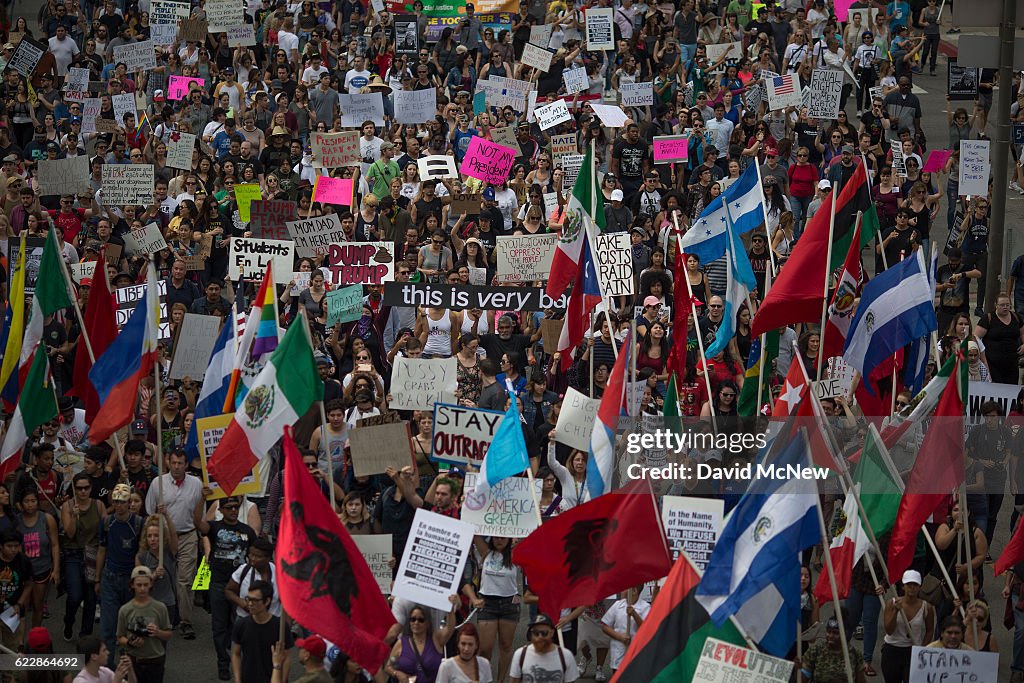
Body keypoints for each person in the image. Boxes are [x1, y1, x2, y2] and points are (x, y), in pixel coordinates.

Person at [145, 450, 204, 641]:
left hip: (187, 535)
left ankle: (186, 621)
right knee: (164, 577)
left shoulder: (196, 483)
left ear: (186, 464)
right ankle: (161, 618)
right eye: (174, 463)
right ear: (168, 462)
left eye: (181, 463)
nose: (177, 467)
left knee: (185, 580)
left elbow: (199, 512)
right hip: (164, 537)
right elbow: (149, 510)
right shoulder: (157, 483)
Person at [197, 495, 256, 681]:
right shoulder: (214, 528)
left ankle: (240, 660)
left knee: (238, 625)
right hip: (218, 583)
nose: (233, 510)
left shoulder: (247, 531)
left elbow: (258, 554)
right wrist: (201, 499)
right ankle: (223, 663)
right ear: (220, 511)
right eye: (229, 507)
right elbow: (198, 523)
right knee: (219, 626)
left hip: (239, 586)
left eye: (235, 507)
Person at [116, 566, 173, 683]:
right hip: (133, 660)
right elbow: (119, 637)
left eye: (146, 585)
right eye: (139, 585)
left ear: (151, 584)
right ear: (132, 585)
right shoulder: (125, 610)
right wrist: (129, 642)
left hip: (155, 659)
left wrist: (158, 632)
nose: (142, 589)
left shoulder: (160, 607)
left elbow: (169, 634)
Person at [384, 596, 460, 682]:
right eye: (413, 619)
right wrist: (396, 673)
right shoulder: (401, 643)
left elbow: (450, 628)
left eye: (421, 620)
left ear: (427, 623)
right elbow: (388, 667)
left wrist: (450, 608)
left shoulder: (436, 640)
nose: (416, 622)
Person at [231, 580, 294, 683]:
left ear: (267, 601)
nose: (250, 604)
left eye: (255, 600)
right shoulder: (241, 625)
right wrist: (237, 679)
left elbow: (286, 657)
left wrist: (282, 680)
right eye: (248, 599)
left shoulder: (280, 627)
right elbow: (236, 654)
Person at [881, 570, 934, 682]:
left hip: (913, 651)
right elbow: (889, 630)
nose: (912, 588)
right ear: (903, 586)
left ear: (920, 587)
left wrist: (922, 649)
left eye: (915, 585)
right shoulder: (891, 603)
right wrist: (895, 611)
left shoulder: (926, 607)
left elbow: (930, 630)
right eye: (909, 584)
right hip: (892, 650)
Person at [509, 614, 579, 683]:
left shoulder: (566, 656)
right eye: (536, 633)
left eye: (544, 633)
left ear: (552, 632)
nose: (540, 637)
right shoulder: (520, 655)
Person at [800, 617, 866, 683]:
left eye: (835, 633)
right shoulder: (815, 651)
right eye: (829, 632)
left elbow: (861, 680)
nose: (831, 636)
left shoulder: (855, 654)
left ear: (845, 634)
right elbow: (803, 679)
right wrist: (797, 669)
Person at [73, 634, 138, 683]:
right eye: (104, 650)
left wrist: (130, 669)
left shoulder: (105, 671)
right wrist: (116, 681)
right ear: (94, 656)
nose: (108, 652)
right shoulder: (80, 681)